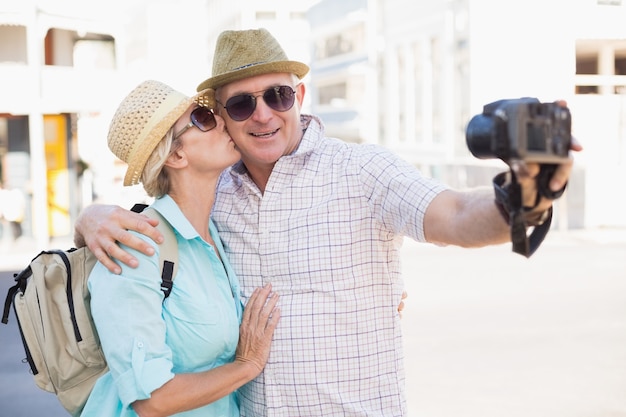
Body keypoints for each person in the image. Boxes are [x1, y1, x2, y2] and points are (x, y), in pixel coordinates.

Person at [75, 29, 581, 416]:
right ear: (220, 116)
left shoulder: (362, 170)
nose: (263, 115)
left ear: (299, 94)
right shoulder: (213, 198)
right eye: (240, 104)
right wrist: (89, 219)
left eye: (277, 95)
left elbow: (455, 214)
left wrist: (525, 196)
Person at [81, 79, 281, 417]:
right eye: (203, 118)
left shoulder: (216, 233)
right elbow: (153, 399)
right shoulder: (137, 249)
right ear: (175, 154)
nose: (221, 121)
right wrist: (247, 366)